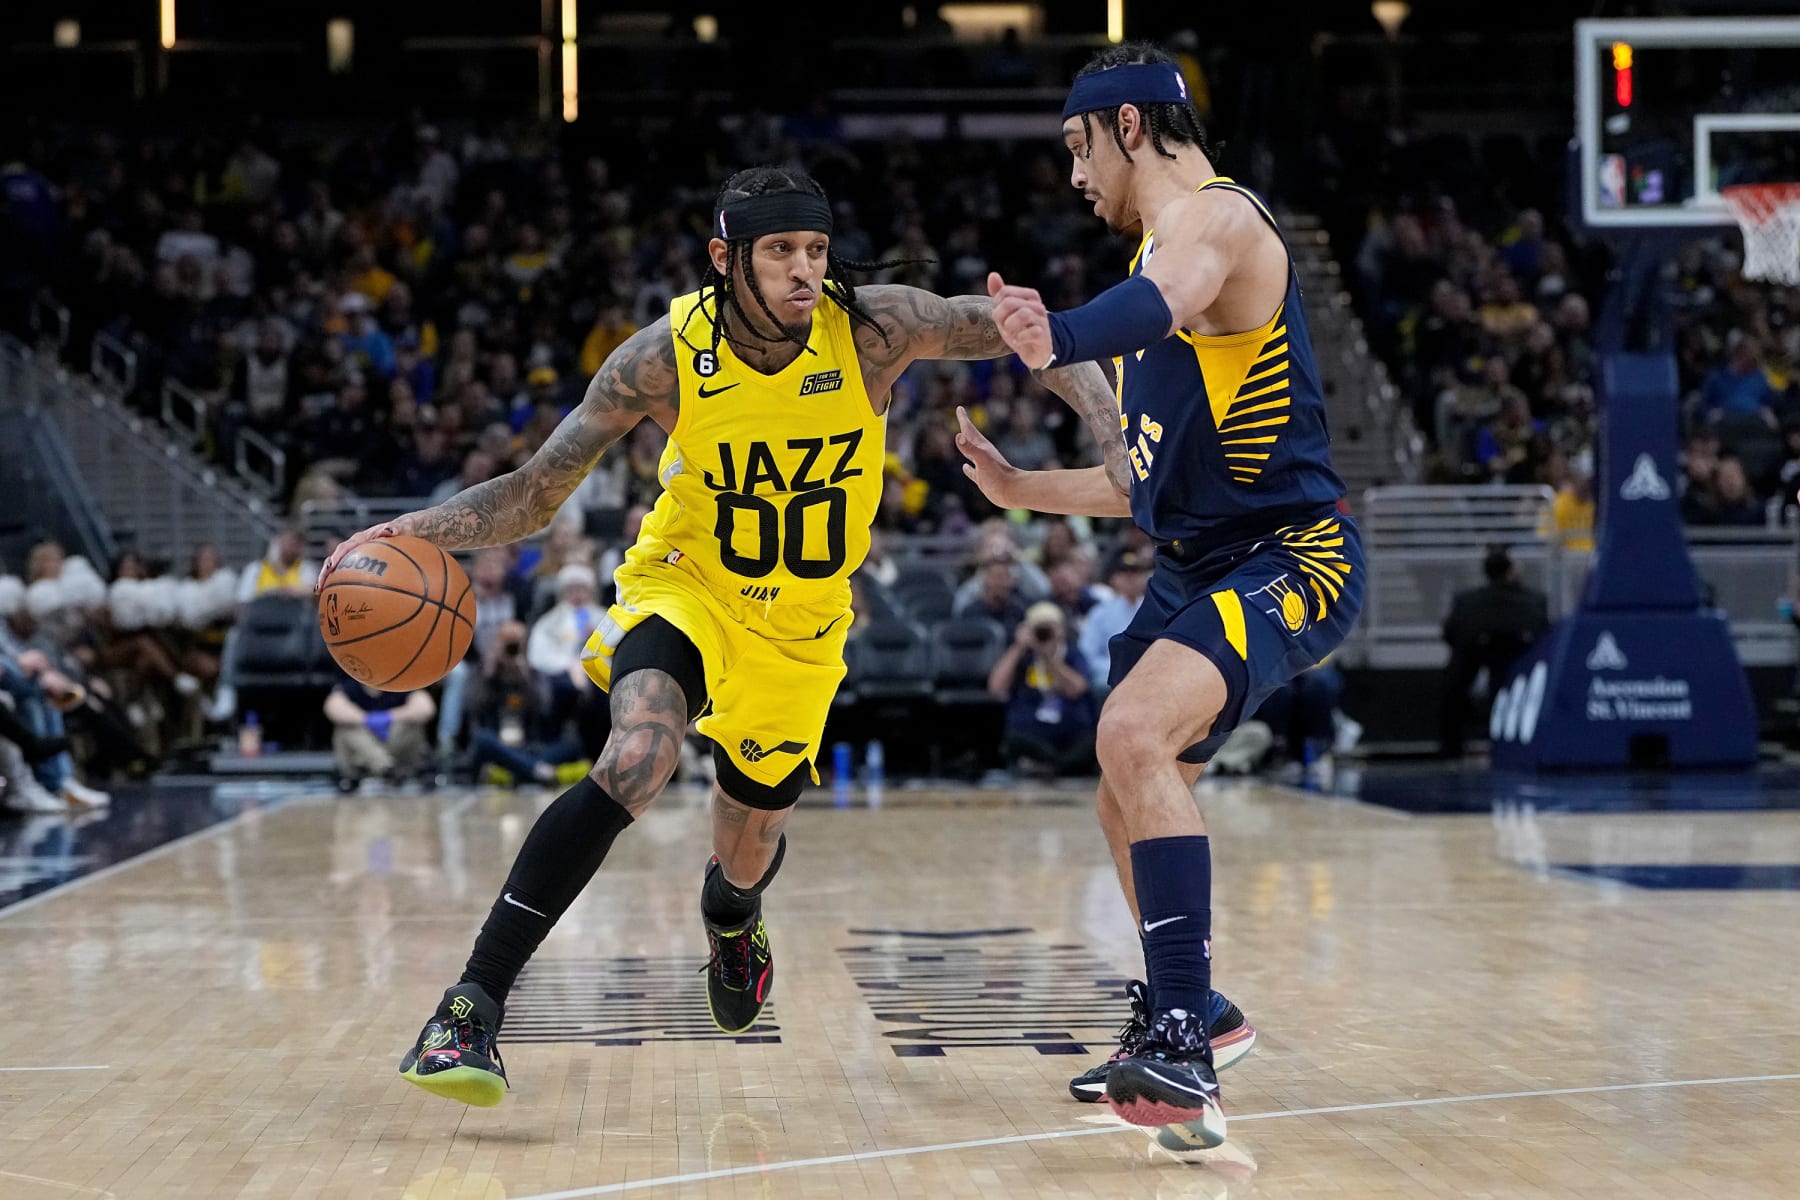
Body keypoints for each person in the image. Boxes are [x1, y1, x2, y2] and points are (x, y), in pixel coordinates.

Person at [320, 165, 1123, 1109]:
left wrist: (1117, 443)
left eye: (816, 251)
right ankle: (471, 1007)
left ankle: (730, 914)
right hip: (688, 585)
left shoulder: (876, 327)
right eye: (780, 251)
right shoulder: (660, 358)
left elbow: (1043, 337)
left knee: (744, 850)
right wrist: (409, 531)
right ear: (724, 259)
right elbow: (535, 493)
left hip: (803, 628)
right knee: (638, 755)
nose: (803, 271)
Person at [960, 42, 1364, 1141]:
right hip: (1200, 559)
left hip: (1293, 552)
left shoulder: (1216, 225)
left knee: (1134, 733)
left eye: (1077, 147)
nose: (1074, 173)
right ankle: (1202, 1010)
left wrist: (1062, 336)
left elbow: (1161, 300)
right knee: (1121, 775)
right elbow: (1140, 482)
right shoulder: (1155, 250)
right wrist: (1019, 486)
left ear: (1128, 127)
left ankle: (1183, 1034)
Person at [1439, 547, 1550, 757]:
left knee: (1457, 679)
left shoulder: (1466, 602)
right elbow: (1544, 635)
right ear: (1511, 571)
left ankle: (1451, 747)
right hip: (1509, 665)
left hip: (1495, 664)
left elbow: (1449, 634)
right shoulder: (1534, 601)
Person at [989, 601, 1098, 778]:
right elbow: (996, 687)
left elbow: (1077, 689)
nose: (1044, 634)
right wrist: (1018, 647)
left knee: (1089, 743)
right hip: (1032, 732)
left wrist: (1049, 659)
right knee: (1014, 740)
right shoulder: (1022, 657)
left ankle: (1048, 767)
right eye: (1039, 628)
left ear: (1061, 630)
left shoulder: (1072, 654)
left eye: (1050, 628)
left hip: (1069, 731)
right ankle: (1056, 766)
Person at [324, 673, 434, 790]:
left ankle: (385, 768)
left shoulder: (401, 683)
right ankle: (385, 768)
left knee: (410, 725)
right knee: (348, 729)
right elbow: (332, 707)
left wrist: (390, 717)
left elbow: (426, 707)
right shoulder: (351, 684)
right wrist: (366, 719)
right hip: (362, 751)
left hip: (394, 746)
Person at [1078, 547, 1152, 690]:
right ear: (1114, 579)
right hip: (1111, 678)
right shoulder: (1100, 612)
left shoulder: (1155, 608)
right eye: (1124, 573)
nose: (1130, 578)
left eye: (1135, 572)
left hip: (1150, 674)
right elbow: (1087, 653)